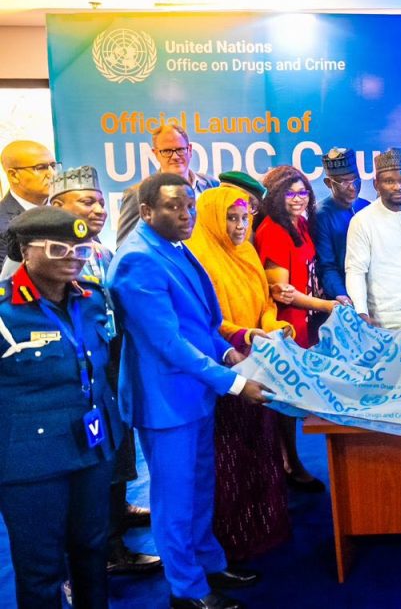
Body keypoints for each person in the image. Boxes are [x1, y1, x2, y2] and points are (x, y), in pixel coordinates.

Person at [109, 173, 270, 609]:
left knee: (200, 488)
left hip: (194, 394)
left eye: (190, 206)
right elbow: (168, 343)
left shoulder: (174, 246)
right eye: (174, 207)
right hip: (165, 402)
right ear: (146, 212)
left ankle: (209, 564)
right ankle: (187, 589)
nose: (187, 215)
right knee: (175, 500)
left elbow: (197, 323)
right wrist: (236, 383)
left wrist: (226, 352)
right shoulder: (137, 259)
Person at [0, 207, 123, 608]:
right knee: (41, 568)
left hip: (93, 448)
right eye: (58, 248)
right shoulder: (3, 310)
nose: (73, 257)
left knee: (93, 550)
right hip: (31, 462)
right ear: (25, 250)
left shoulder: (93, 298)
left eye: (81, 248)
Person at [47, 167, 162, 576]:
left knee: (117, 449)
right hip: (76, 378)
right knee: (90, 461)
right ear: (57, 206)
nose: (98, 209)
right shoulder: (49, 260)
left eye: (100, 202)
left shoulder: (99, 250)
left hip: (110, 366)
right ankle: (106, 549)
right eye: (86, 202)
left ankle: (118, 517)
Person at [186, 186, 293, 562]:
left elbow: (264, 302)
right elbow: (205, 322)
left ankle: (265, 525)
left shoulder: (246, 250)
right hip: (224, 369)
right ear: (213, 219)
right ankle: (232, 540)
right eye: (231, 218)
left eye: (245, 218)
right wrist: (244, 335)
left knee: (262, 446)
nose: (240, 226)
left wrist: (272, 326)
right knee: (231, 458)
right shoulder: (199, 257)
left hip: (259, 363)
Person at [255, 165, 341, 494]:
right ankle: (289, 464)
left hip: (304, 325)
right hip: (285, 328)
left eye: (302, 191)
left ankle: (289, 462)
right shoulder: (273, 231)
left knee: (292, 401)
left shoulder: (301, 223)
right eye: (289, 193)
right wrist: (327, 306)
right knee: (283, 402)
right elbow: (282, 293)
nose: (297, 198)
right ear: (274, 196)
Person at [346, 148, 401, 329]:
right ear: (376, 184)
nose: (397, 187)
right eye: (389, 181)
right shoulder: (362, 221)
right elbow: (355, 271)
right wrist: (361, 313)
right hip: (383, 320)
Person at [116, 124, 218, 245]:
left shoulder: (212, 186)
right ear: (155, 153)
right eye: (167, 151)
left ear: (190, 150)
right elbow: (125, 245)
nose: (175, 156)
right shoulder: (137, 194)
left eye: (180, 149)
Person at [314, 147, 370, 302]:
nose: (352, 187)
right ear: (328, 183)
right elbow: (327, 265)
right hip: (343, 296)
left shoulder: (367, 207)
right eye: (344, 181)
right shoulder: (321, 215)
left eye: (355, 179)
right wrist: (342, 295)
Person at [0, 139, 57, 263]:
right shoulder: (2, 223)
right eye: (40, 168)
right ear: (14, 175)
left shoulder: (70, 210)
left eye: (53, 166)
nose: (52, 174)